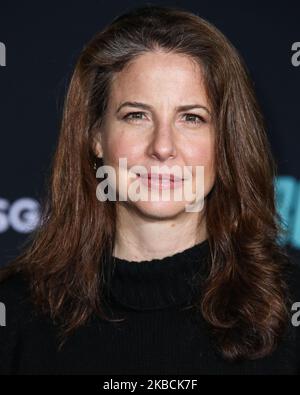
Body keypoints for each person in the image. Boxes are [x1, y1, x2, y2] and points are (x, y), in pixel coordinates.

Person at [0, 4, 299, 375]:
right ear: (95, 136)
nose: (162, 146)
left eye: (192, 118)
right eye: (136, 115)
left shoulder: (290, 307)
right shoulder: (14, 314)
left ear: (225, 142)